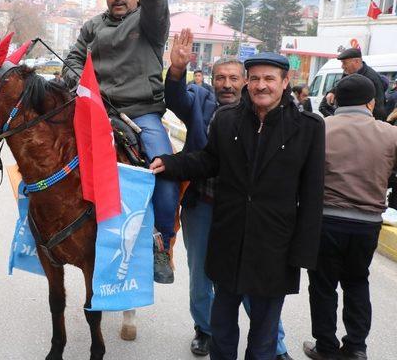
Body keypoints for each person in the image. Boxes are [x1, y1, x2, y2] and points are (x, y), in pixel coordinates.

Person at [151, 52, 324, 360]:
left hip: (275, 246)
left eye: (269, 79)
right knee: (223, 327)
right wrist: (170, 163)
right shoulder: (227, 119)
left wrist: (304, 252)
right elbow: (209, 160)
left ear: (285, 83)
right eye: (255, 78)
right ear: (249, 81)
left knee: (264, 333)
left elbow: (312, 195)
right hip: (228, 238)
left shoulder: (308, 127)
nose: (261, 86)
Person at [166, 30, 292, 360]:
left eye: (234, 78)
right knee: (201, 277)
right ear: (211, 80)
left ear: (246, 81)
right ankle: (205, 330)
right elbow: (176, 99)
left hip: (248, 213)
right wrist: (177, 71)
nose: (227, 84)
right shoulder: (200, 101)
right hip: (205, 206)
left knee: (255, 282)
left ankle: (274, 344)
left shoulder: (265, 110)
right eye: (220, 78)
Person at [62, 0, 179, 283]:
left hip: (141, 113)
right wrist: (75, 78)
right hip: (94, 111)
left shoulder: (149, 22)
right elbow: (73, 59)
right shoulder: (92, 27)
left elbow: (157, 8)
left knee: (164, 166)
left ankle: (161, 243)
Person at [303, 74, 397, 360]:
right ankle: (356, 347)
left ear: (335, 99)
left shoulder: (319, 128)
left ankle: (326, 347)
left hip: (325, 220)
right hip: (367, 224)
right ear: (371, 102)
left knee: (323, 285)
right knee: (357, 282)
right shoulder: (390, 133)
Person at [323, 48, 386, 120]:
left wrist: (372, 125)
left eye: (344, 63)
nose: (342, 67)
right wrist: (332, 92)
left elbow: (378, 107)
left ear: (356, 61)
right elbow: (342, 84)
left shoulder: (371, 78)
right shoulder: (349, 72)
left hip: (365, 122)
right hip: (348, 118)